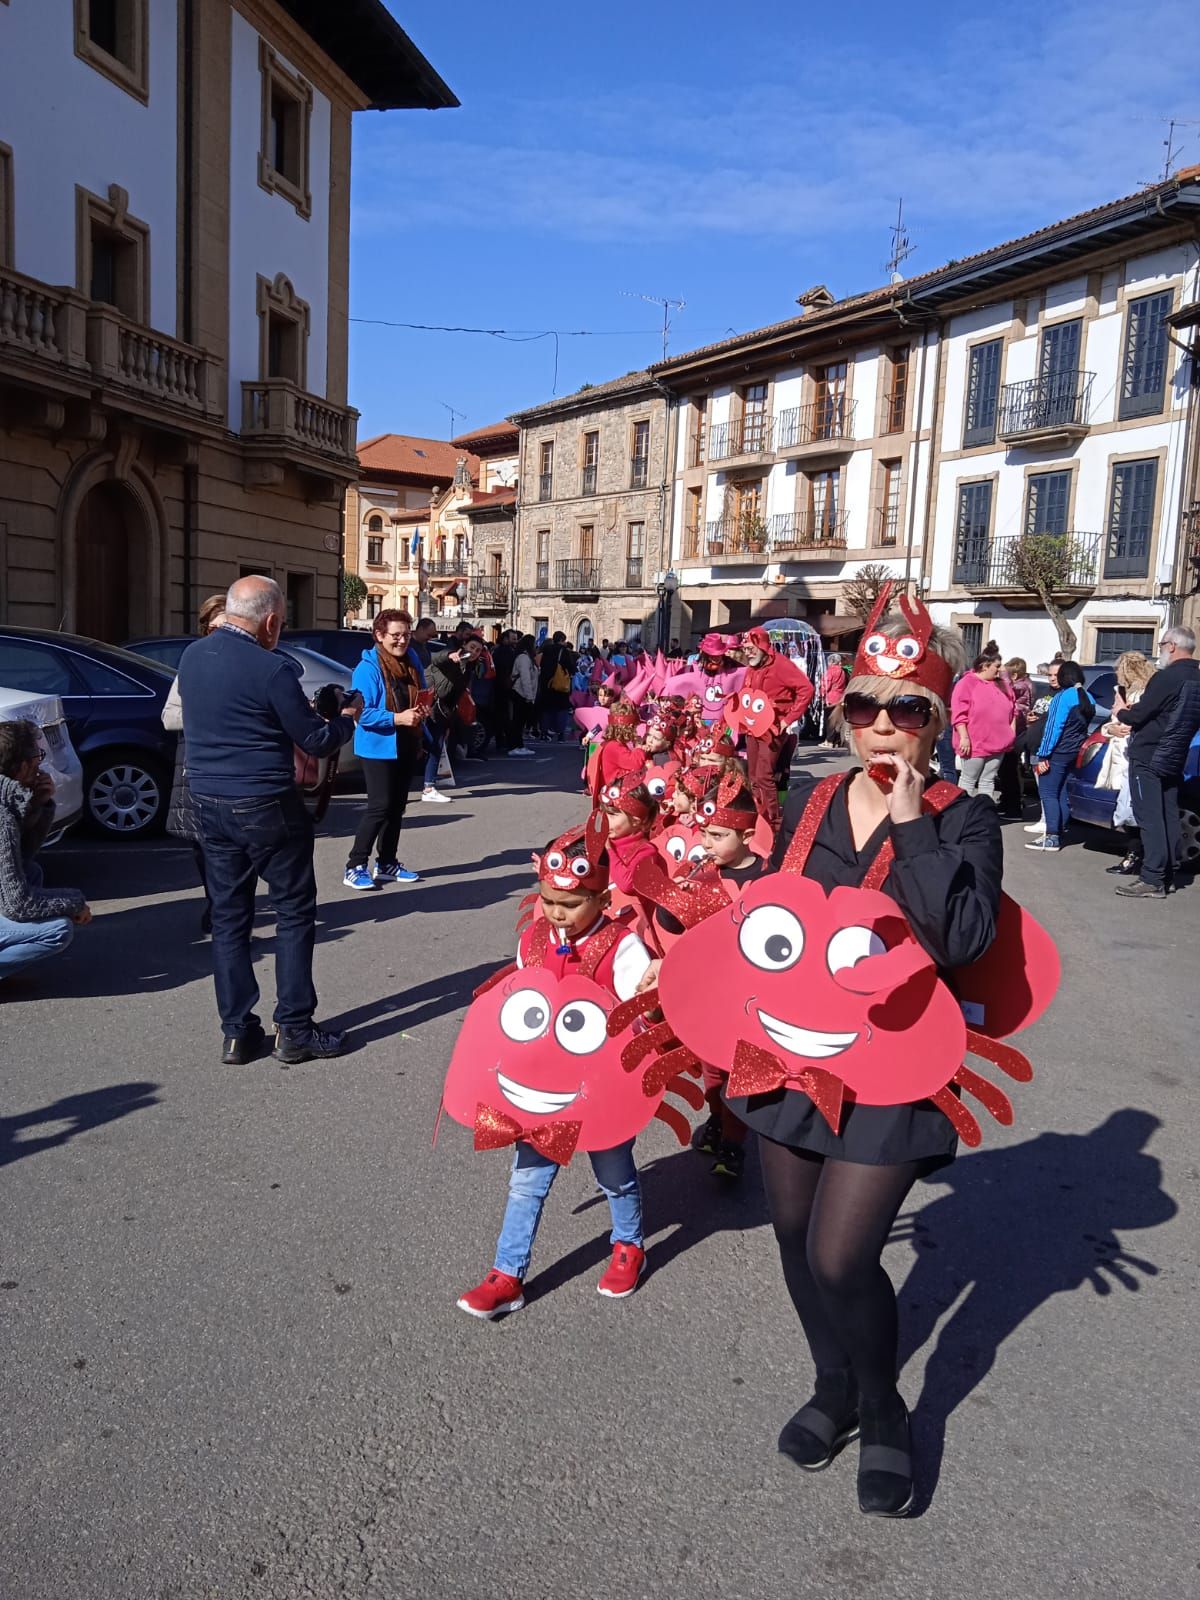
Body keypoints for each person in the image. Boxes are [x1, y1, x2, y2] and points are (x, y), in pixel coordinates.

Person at [727, 597, 1000, 1517]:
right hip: (793, 1055)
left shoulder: (966, 820)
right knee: (794, 1239)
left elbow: (958, 936)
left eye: (908, 709)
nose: (883, 726)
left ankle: (885, 1413)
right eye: (865, 708)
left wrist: (912, 817)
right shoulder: (809, 801)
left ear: (937, 713)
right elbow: (774, 919)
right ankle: (833, 1384)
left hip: (894, 1069)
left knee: (845, 1256)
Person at [455, 827, 653, 1319]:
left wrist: (651, 993)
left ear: (603, 898)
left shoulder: (621, 948)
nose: (557, 913)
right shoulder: (535, 938)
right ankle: (508, 1274)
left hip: (600, 1090)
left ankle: (629, 1244)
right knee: (526, 1182)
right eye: (548, 901)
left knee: (616, 1175)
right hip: (541, 1091)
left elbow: (636, 1017)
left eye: (570, 903)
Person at [178, 576, 361, 1065]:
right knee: (294, 913)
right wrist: (347, 718)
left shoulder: (192, 657)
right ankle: (295, 1028)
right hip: (264, 802)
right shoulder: (272, 668)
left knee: (229, 918)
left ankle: (237, 1031)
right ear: (271, 621)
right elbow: (317, 740)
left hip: (209, 802)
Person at [343, 609, 428, 892]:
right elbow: (361, 713)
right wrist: (397, 718)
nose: (402, 641)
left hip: (405, 742)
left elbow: (421, 692)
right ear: (379, 635)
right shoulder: (367, 668)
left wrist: (424, 708)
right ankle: (355, 865)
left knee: (397, 808)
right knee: (379, 807)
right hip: (378, 746)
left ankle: (387, 862)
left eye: (406, 635)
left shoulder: (412, 660)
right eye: (395, 635)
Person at [0, 719, 91, 983]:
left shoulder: (6, 802)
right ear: (21, 765)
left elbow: (21, 859)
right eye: (37, 756)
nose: (41, 763)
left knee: (32, 871)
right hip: (12, 902)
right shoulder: (2, 816)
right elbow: (19, 903)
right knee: (58, 931)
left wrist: (40, 806)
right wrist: (74, 902)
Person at [1113, 625, 1200, 899]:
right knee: (1168, 815)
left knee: (1149, 817)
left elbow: (1140, 715)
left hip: (1150, 753)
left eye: (1162, 644)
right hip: (1175, 754)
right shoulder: (1196, 677)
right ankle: (1168, 874)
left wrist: (1121, 711)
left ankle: (1151, 877)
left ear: (1172, 646)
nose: (1160, 651)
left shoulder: (1168, 677)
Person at [162, 593, 227, 933]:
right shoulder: (192, 662)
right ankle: (216, 906)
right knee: (202, 846)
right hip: (194, 767)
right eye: (212, 628)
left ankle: (228, 910)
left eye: (226, 626)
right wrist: (210, 714)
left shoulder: (252, 661)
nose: (219, 634)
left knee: (236, 850)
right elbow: (169, 717)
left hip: (237, 771)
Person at [740, 627, 815, 828]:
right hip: (752, 728)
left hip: (772, 730)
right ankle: (758, 816)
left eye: (750, 648)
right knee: (754, 776)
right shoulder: (752, 668)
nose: (747, 652)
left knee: (765, 775)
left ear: (762, 646)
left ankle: (771, 821)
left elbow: (806, 689)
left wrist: (787, 719)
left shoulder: (781, 664)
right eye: (745, 649)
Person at [1026, 661, 1094, 854]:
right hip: (1073, 751)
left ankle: (1052, 837)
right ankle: (1060, 831)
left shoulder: (1062, 698)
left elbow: (1053, 729)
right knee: (1061, 792)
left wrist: (1043, 755)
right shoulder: (1087, 697)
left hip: (1057, 751)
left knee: (1048, 793)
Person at [1099, 651, 1156, 879]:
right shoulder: (1120, 692)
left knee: (1138, 811)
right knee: (1127, 811)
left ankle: (1137, 857)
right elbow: (1110, 723)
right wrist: (1111, 729)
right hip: (1122, 755)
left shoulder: (1152, 693)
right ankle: (1133, 855)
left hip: (1141, 756)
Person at [949, 654, 1015, 802]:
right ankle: (963, 816)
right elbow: (959, 713)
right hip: (975, 742)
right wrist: (964, 737)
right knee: (968, 780)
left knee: (988, 780)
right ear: (985, 666)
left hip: (998, 742)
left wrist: (1011, 733)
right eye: (996, 666)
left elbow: (1012, 709)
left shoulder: (1001, 684)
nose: (999, 670)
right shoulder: (966, 683)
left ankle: (986, 816)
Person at [424, 634, 484, 798]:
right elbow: (437, 658)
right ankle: (424, 786)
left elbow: (456, 693)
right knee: (423, 745)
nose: (474, 652)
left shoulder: (469, 668)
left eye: (478, 650)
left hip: (442, 708)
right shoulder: (452, 655)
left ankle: (429, 787)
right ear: (464, 645)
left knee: (436, 745)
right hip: (427, 704)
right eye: (472, 647)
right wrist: (451, 655)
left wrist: (450, 716)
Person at [996, 658, 1034, 818]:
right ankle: (1007, 801)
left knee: (1010, 769)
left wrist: (1002, 673)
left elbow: (1007, 690)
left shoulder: (1021, 685)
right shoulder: (1025, 683)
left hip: (1017, 732)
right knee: (1007, 769)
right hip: (1016, 730)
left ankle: (1013, 807)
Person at [819, 653, 847, 747]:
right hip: (839, 697)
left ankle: (829, 741)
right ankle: (837, 741)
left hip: (830, 698)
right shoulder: (842, 671)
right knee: (837, 721)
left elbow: (826, 685)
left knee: (830, 721)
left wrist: (820, 694)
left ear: (831, 662)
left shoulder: (830, 671)